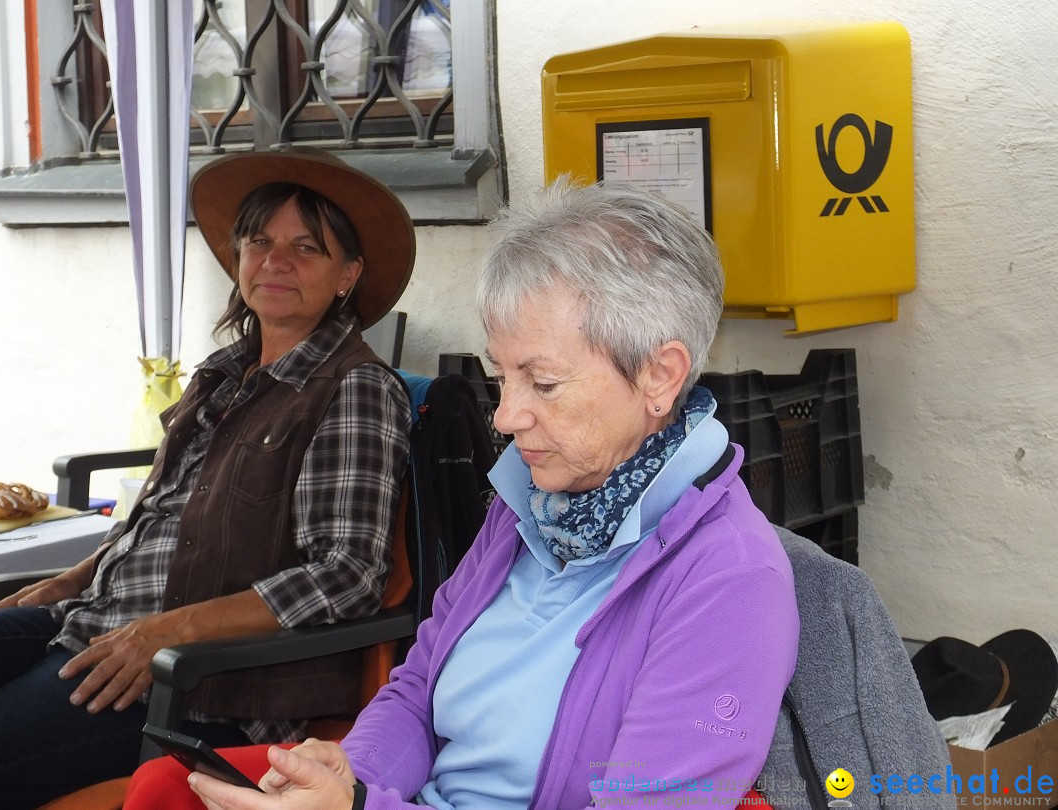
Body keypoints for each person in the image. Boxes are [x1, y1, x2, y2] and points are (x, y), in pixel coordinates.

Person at [126, 179, 800, 810]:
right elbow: (417, 691)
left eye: (542, 384)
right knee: (167, 785)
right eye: (501, 376)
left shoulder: (729, 579)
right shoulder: (529, 507)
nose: (505, 418)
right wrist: (350, 771)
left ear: (660, 375)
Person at [0, 147, 414, 809]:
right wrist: (73, 577)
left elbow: (347, 572)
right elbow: (161, 520)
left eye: (307, 247)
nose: (276, 261)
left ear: (347, 274)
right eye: (260, 241)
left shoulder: (353, 389)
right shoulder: (222, 376)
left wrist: (169, 631)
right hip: (95, 621)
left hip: (199, 685)